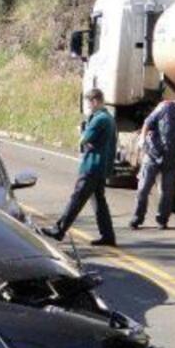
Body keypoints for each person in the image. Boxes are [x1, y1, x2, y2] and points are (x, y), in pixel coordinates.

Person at [41, 88, 118, 245]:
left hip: (92, 166)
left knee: (77, 198)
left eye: (89, 103)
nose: (88, 107)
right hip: (102, 167)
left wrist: (83, 135)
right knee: (99, 203)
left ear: (94, 101)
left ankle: (59, 230)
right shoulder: (109, 118)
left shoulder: (99, 119)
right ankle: (108, 235)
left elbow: (83, 140)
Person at [130, 86, 175, 230]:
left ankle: (162, 220)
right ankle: (137, 218)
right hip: (153, 154)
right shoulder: (166, 107)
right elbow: (148, 122)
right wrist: (142, 139)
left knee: (168, 192)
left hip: (171, 158)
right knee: (143, 188)